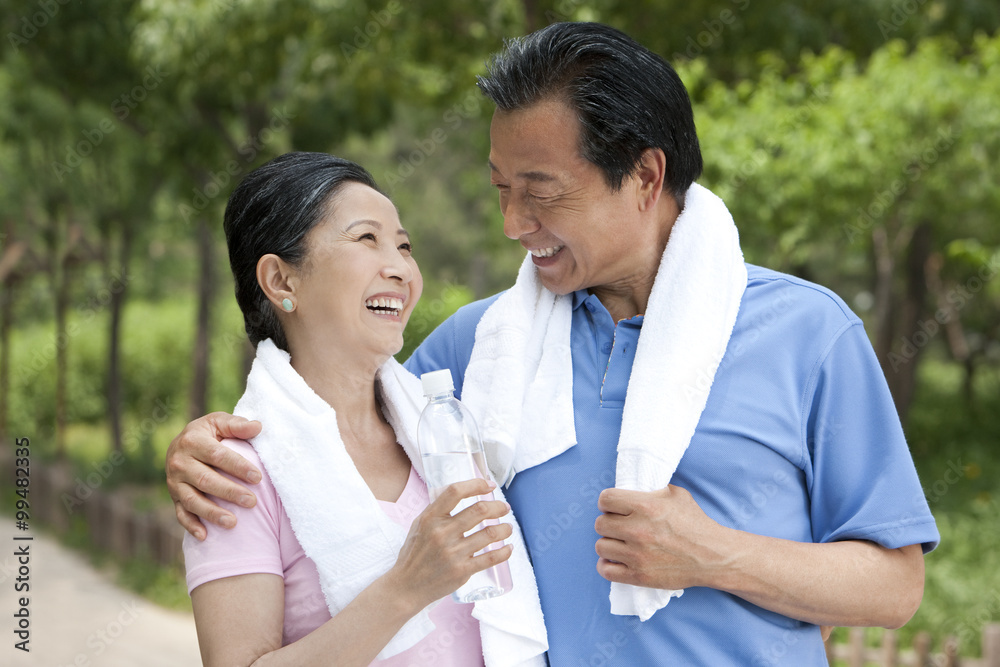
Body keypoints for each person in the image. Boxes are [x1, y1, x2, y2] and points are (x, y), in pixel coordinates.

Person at [167, 23, 939, 665]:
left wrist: (709, 555)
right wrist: (207, 443)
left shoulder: (808, 333)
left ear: (643, 176)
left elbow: (896, 587)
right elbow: (332, 411)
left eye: (539, 193)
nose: (512, 225)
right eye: (502, 190)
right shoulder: (480, 346)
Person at [179, 151, 546, 667]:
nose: (399, 267)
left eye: (404, 245)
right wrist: (404, 589)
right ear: (282, 282)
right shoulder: (235, 473)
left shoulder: (444, 421)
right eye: (366, 238)